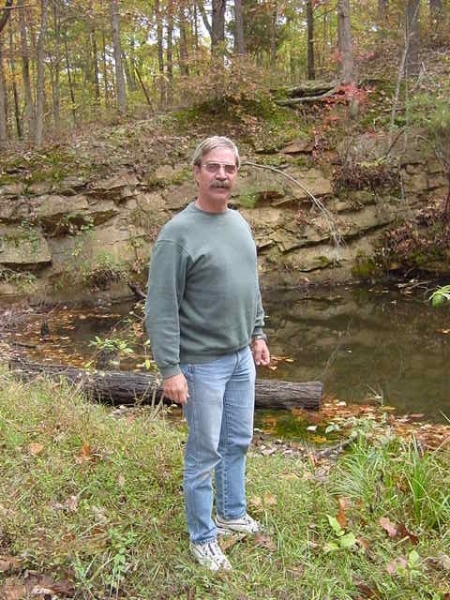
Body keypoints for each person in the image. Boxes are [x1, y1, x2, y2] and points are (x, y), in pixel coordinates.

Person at [145, 136, 270, 571]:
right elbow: (160, 307)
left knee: (237, 439)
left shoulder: (239, 223)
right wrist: (170, 370)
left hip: (239, 358)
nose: (222, 175)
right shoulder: (177, 234)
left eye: (229, 168)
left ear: (236, 174)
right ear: (196, 172)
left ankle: (231, 513)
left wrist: (257, 333)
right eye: (213, 167)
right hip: (200, 365)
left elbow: (249, 286)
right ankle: (203, 537)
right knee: (204, 454)